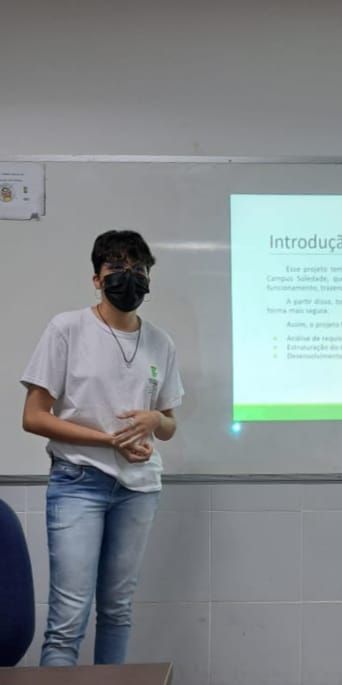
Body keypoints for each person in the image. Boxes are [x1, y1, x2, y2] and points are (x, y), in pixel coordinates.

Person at [21, 230, 184, 666]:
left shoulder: (161, 342)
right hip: (78, 481)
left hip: (138, 489)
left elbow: (169, 425)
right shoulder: (67, 328)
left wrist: (155, 420)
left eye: (137, 269)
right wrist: (108, 440)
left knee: (117, 611)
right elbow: (34, 416)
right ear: (96, 278)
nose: (128, 277)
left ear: (149, 279)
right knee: (67, 620)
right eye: (116, 268)